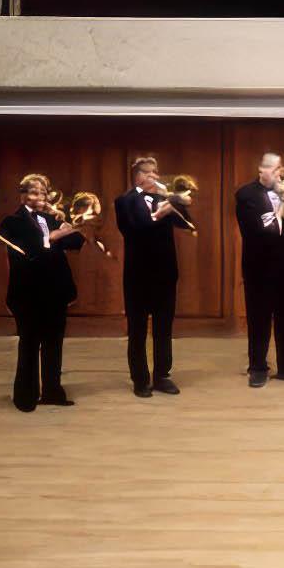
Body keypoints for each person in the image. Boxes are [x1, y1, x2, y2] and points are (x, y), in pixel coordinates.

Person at [0, 176, 86, 412]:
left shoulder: (51, 217)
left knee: (53, 342)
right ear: (23, 195)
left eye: (44, 193)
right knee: (29, 343)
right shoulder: (12, 221)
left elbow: (77, 242)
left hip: (55, 290)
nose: (41, 198)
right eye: (35, 193)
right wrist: (50, 238)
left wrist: (65, 220)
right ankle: (25, 396)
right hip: (28, 291)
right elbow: (23, 254)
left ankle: (52, 391)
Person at [114, 156, 190, 398]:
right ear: (139, 176)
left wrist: (177, 203)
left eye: (157, 173)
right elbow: (138, 227)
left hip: (165, 272)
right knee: (137, 329)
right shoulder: (124, 201)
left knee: (163, 327)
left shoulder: (163, 199)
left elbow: (187, 223)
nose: (156, 177)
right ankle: (140, 379)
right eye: (150, 173)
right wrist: (163, 210)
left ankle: (162, 375)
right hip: (138, 274)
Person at [234, 152, 284, 387]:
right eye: (277, 168)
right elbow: (255, 229)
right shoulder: (247, 194)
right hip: (259, 264)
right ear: (263, 170)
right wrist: (281, 208)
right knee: (259, 318)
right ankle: (257, 367)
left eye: (281, 169)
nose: (281, 173)